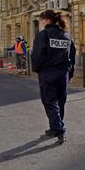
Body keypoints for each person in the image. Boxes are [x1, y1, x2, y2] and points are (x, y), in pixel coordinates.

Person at [31, 10, 76, 145]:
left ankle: (59, 130)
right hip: (63, 74)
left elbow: (37, 55)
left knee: (49, 101)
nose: (40, 23)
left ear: (46, 20)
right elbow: (72, 57)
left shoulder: (43, 35)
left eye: (41, 20)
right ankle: (54, 127)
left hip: (48, 73)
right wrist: (70, 74)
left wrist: (37, 69)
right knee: (60, 101)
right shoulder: (66, 35)